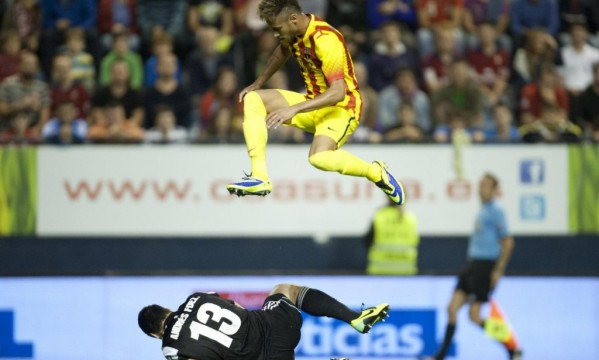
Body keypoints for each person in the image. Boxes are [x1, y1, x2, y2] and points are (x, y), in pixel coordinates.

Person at [226, 0, 405, 206]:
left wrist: (293, 109)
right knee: (253, 99)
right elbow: (282, 51)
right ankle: (259, 177)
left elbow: (338, 92)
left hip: (341, 108)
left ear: (293, 19)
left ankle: (375, 171)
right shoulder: (293, 32)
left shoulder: (325, 39)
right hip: (312, 102)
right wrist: (257, 83)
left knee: (319, 159)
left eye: (277, 29)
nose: (275, 34)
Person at [138, 283, 390, 360]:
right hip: (278, 326)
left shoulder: (170, 348)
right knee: (284, 289)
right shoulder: (198, 298)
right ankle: (354, 317)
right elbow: (236, 307)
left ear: (153, 335)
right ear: (167, 309)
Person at [421, 173, 523, 360]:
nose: (481, 188)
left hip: (485, 267)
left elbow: (508, 242)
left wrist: (498, 270)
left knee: (474, 315)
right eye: (480, 184)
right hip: (471, 266)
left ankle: (511, 348)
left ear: (494, 190)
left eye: (486, 185)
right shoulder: (483, 210)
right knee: (452, 309)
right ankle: (440, 356)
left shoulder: (496, 211)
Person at [364, 198, 420, 274]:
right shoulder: (410, 218)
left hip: (380, 272)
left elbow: (367, 242)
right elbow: (416, 242)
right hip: (405, 272)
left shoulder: (380, 216)